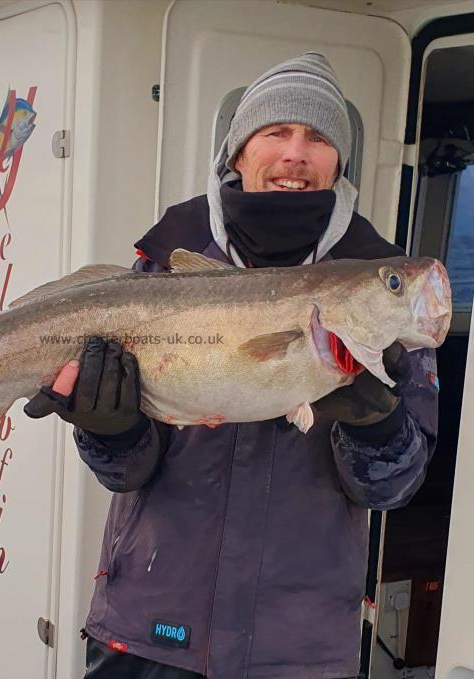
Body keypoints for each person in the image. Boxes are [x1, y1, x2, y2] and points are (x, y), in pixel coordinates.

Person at [24, 53, 439, 679]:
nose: (296, 153)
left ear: (339, 165)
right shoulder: (163, 269)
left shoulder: (384, 297)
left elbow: (393, 489)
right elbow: (128, 472)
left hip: (298, 648)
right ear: (238, 154)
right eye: (275, 132)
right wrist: (110, 430)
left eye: (319, 137)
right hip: (151, 627)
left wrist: (376, 427)